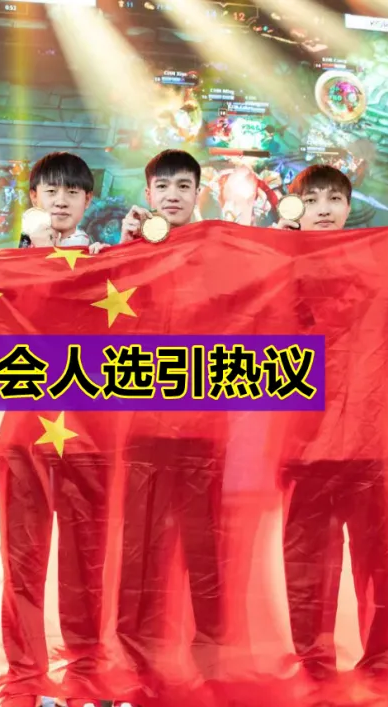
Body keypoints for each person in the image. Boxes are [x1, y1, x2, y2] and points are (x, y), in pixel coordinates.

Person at [270, 165, 388, 686]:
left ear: (349, 206)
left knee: (377, 561)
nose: (324, 209)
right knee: (307, 563)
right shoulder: (275, 259)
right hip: (303, 442)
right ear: (295, 207)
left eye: (334, 199)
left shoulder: (378, 260)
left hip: (370, 438)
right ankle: (313, 662)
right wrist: (275, 257)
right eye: (312, 200)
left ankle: (382, 659)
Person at [0, 152, 113, 707]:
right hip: (24, 432)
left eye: (72, 192)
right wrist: (31, 253)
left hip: (92, 433)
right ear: (33, 196)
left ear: (88, 200)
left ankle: (84, 672)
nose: (60, 200)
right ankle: (24, 675)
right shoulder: (5, 261)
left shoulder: (108, 263)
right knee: (22, 561)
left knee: (87, 561)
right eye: (50, 190)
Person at [113, 150, 227, 703]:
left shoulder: (221, 251)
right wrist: (125, 246)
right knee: (140, 557)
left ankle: (212, 668)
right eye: (163, 186)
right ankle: (136, 668)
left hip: (205, 432)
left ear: (198, 193)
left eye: (184, 185)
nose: (173, 195)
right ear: (149, 193)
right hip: (142, 432)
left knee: (207, 556)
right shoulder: (129, 252)